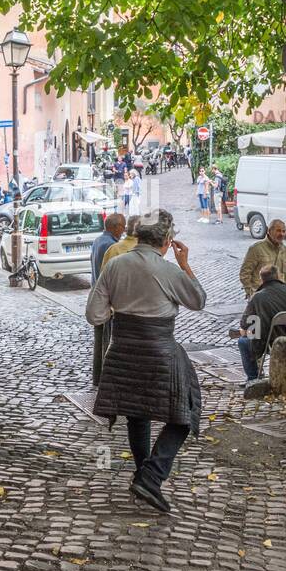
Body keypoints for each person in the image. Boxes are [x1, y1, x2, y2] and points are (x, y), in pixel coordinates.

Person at [86, 210, 206, 513]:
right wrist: (185, 264)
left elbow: (95, 315)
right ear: (167, 240)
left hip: (123, 350)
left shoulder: (115, 265)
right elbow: (198, 300)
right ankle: (151, 477)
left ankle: (143, 477)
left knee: (137, 415)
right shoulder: (168, 271)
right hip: (159, 351)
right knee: (185, 412)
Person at [237, 265, 286, 383]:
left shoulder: (258, 297)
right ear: (278, 276)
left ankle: (252, 379)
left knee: (243, 342)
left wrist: (254, 325)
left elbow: (245, 323)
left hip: (270, 341)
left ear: (262, 279)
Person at [91, 213, 127, 386]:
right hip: (105, 300)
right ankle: (105, 379)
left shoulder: (99, 241)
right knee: (106, 341)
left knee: (99, 341)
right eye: (122, 226)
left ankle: (97, 377)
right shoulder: (111, 246)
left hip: (97, 296)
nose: (124, 230)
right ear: (115, 227)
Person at [239, 219, 286, 298]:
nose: (282, 234)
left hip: (279, 296)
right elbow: (244, 273)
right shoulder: (256, 249)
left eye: (283, 231)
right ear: (269, 231)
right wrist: (251, 293)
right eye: (278, 231)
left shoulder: (285, 250)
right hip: (260, 295)